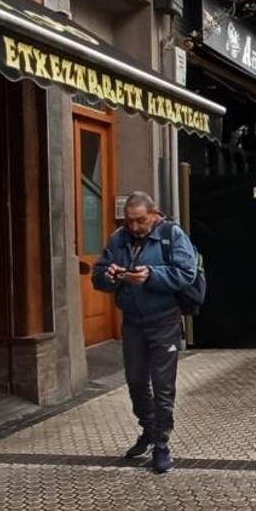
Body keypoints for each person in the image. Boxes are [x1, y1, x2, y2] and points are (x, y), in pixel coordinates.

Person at [91, 191, 198, 474]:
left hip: (164, 321)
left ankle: (162, 445)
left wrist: (151, 275)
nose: (135, 227)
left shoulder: (171, 235)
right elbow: (97, 276)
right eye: (129, 221)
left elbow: (187, 274)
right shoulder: (118, 239)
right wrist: (109, 276)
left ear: (154, 214)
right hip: (133, 323)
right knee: (136, 382)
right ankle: (148, 431)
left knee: (163, 387)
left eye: (140, 220)